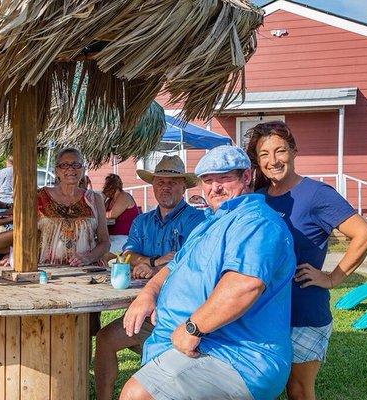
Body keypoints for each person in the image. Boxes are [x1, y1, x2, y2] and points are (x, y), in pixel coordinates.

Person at [120, 145, 296, 400]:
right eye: (208, 180)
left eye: (224, 178)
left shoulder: (256, 221)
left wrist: (193, 328)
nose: (215, 187)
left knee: (137, 395)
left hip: (236, 354)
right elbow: (173, 265)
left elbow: (244, 285)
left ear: (246, 177)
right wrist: (149, 292)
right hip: (197, 343)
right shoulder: (213, 221)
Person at [245, 121, 367, 400]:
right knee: (259, 385)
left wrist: (332, 277)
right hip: (264, 312)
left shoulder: (317, 194)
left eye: (280, 151)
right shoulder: (256, 199)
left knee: (298, 390)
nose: (273, 160)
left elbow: (364, 235)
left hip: (304, 311)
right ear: (257, 161)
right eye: (264, 154)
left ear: (294, 151)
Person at [95, 155, 205, 400]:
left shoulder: (197, 220)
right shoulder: (143, 220)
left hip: (180, 316)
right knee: (104, 338)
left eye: (172, 182)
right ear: (153, 185)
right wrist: (155, 261)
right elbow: (128, 253)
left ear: (183, 186)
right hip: (145, 311)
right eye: (160, 181)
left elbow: (189, 261)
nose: (165, 186)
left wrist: (150, 267)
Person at [37, 147, 109, 267]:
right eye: (64, 165)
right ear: (56, 170)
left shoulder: (94, 199)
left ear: (83, 169)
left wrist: (88, 258)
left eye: (76, 164)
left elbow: (105, 242)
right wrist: (13, 256)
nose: (70, 169)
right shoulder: (40, 197)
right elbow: (26, 235)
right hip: (48, 270)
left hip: (87, 269)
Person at [102, 173, 140, 254]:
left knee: (101, 253)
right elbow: (100, 211)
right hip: (111, 237)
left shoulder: (124, 196)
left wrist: (101, 213)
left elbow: (111, 215)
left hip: (125, 238)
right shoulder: (109, 201)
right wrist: (103, 197)